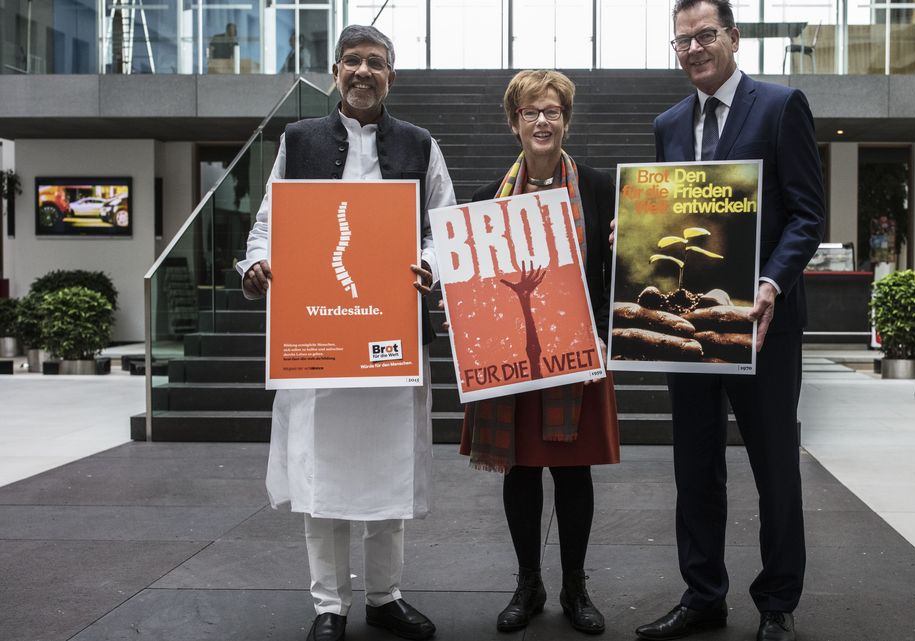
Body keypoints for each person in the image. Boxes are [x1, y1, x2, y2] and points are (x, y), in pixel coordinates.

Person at [237, 25, 456, 641]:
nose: (364, 72)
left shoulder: (420, 143)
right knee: (322, 476)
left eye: (376, 62)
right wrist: (255, 266)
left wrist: (429, 265)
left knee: (391, 472)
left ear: (393, 73)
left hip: (394, 343)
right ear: (335, 71)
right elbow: (267, 226)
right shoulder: (298, 140)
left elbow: (445, 227)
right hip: (320, 342)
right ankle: (328, 606)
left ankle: (385, 597)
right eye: (353, 62)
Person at [633, 2, 825, 641]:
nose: (692, 49)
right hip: (690, 326)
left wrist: (770, 283)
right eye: (681, 40)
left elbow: (806, 215)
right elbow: (668, 211)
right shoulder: (668, 123)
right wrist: (634, 229)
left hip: (763, 324)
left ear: (733, 38)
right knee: (694, 463)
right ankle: (702, 594)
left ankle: (777, 603)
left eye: (704, 35)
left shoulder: (779, 106)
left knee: (774, 464)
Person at [457, 69, 620, 636]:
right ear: (514, 123)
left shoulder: (599, 190)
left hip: (580, 353)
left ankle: (576, 586)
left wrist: (628, 246)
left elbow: (618, 274)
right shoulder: (485, 202)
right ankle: (529, 583)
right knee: (521, 470)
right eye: (531, 113)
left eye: (552, 111)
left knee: (573, 474)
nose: (542, 121)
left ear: (566, 120)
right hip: (516, 353)